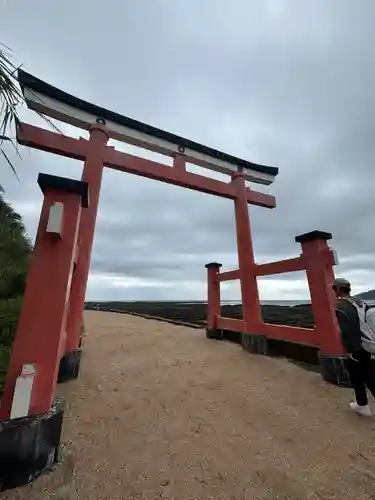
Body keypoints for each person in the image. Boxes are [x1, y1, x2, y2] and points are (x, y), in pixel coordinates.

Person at [333, 277, 375, 417]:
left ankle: (362, 405)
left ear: (338, 289)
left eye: (334, 288)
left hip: (356, 346)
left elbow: (347, 330)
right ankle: (361, 404)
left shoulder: (341, 307)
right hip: (367, 342)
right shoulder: (360, 302)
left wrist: (349, 350)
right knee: (362, 374)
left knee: (365, 375)